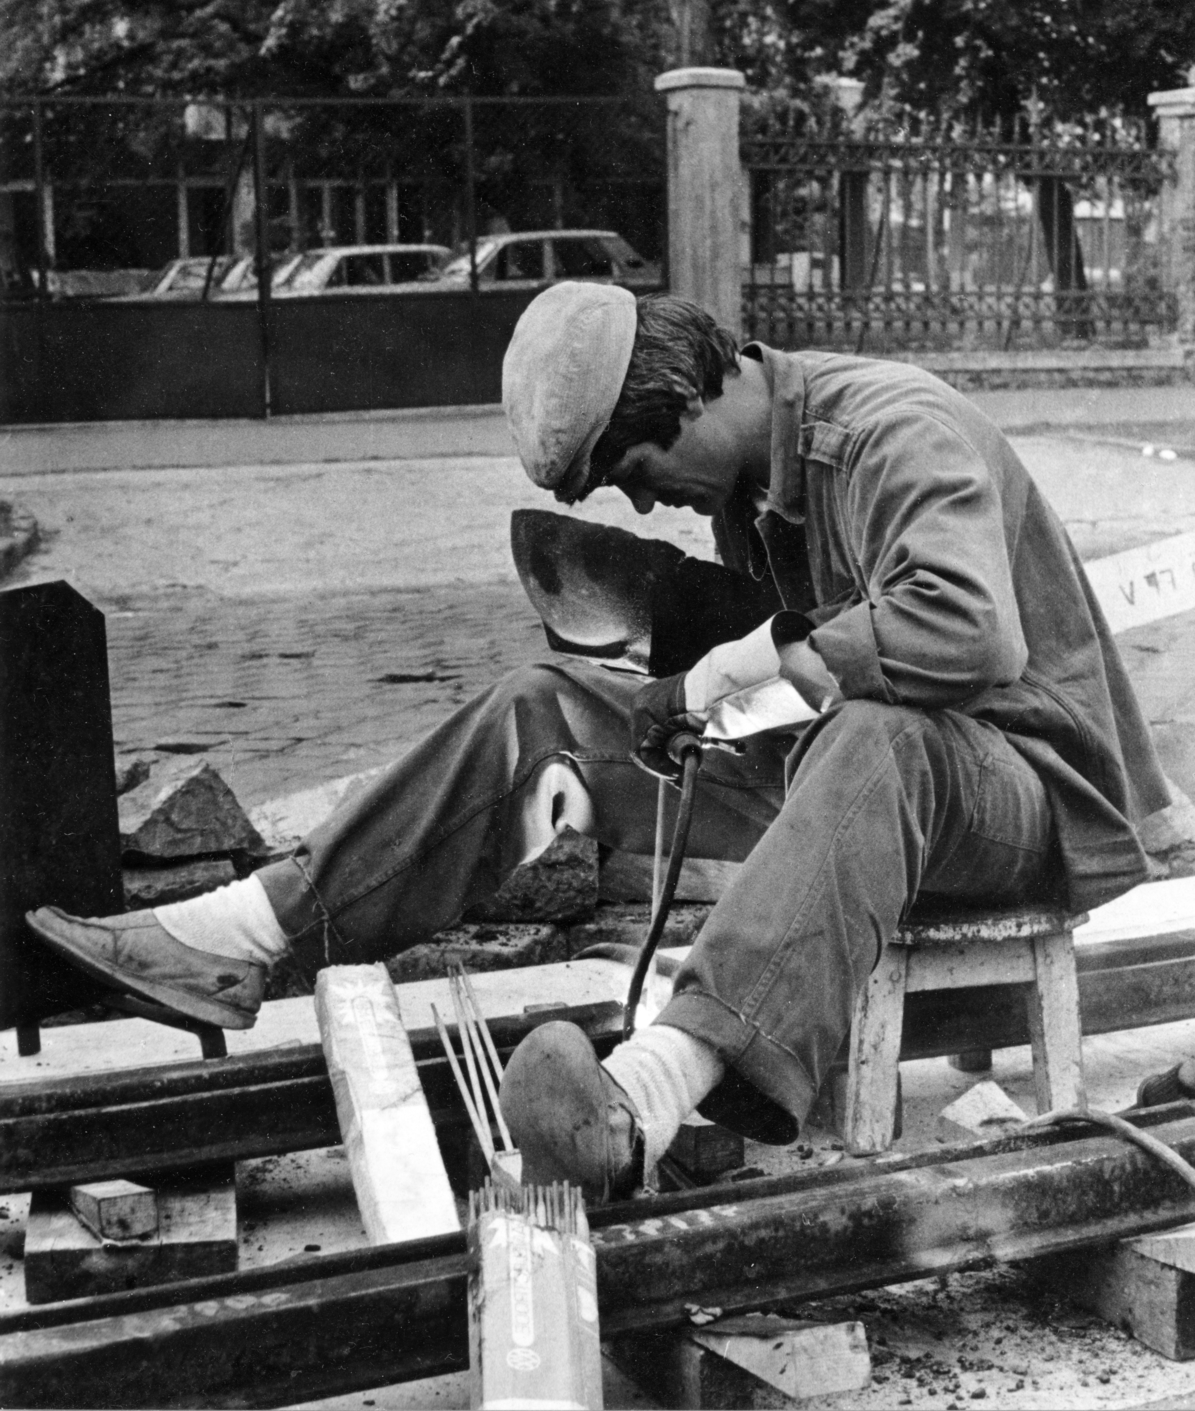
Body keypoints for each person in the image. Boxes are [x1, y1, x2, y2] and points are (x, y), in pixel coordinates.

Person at [28, 281, 1169, 1202]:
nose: (639, 503)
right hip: (871, 783)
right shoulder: (756, 484)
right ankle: (244, 935)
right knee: (550, 707)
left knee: (877, 734)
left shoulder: (890, 428)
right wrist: (688, 677)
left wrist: (736, 670)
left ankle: (645, 1099)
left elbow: (968, 633)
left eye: (630, 472)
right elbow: (813, 663)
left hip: (1031, 790)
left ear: (678, 402)